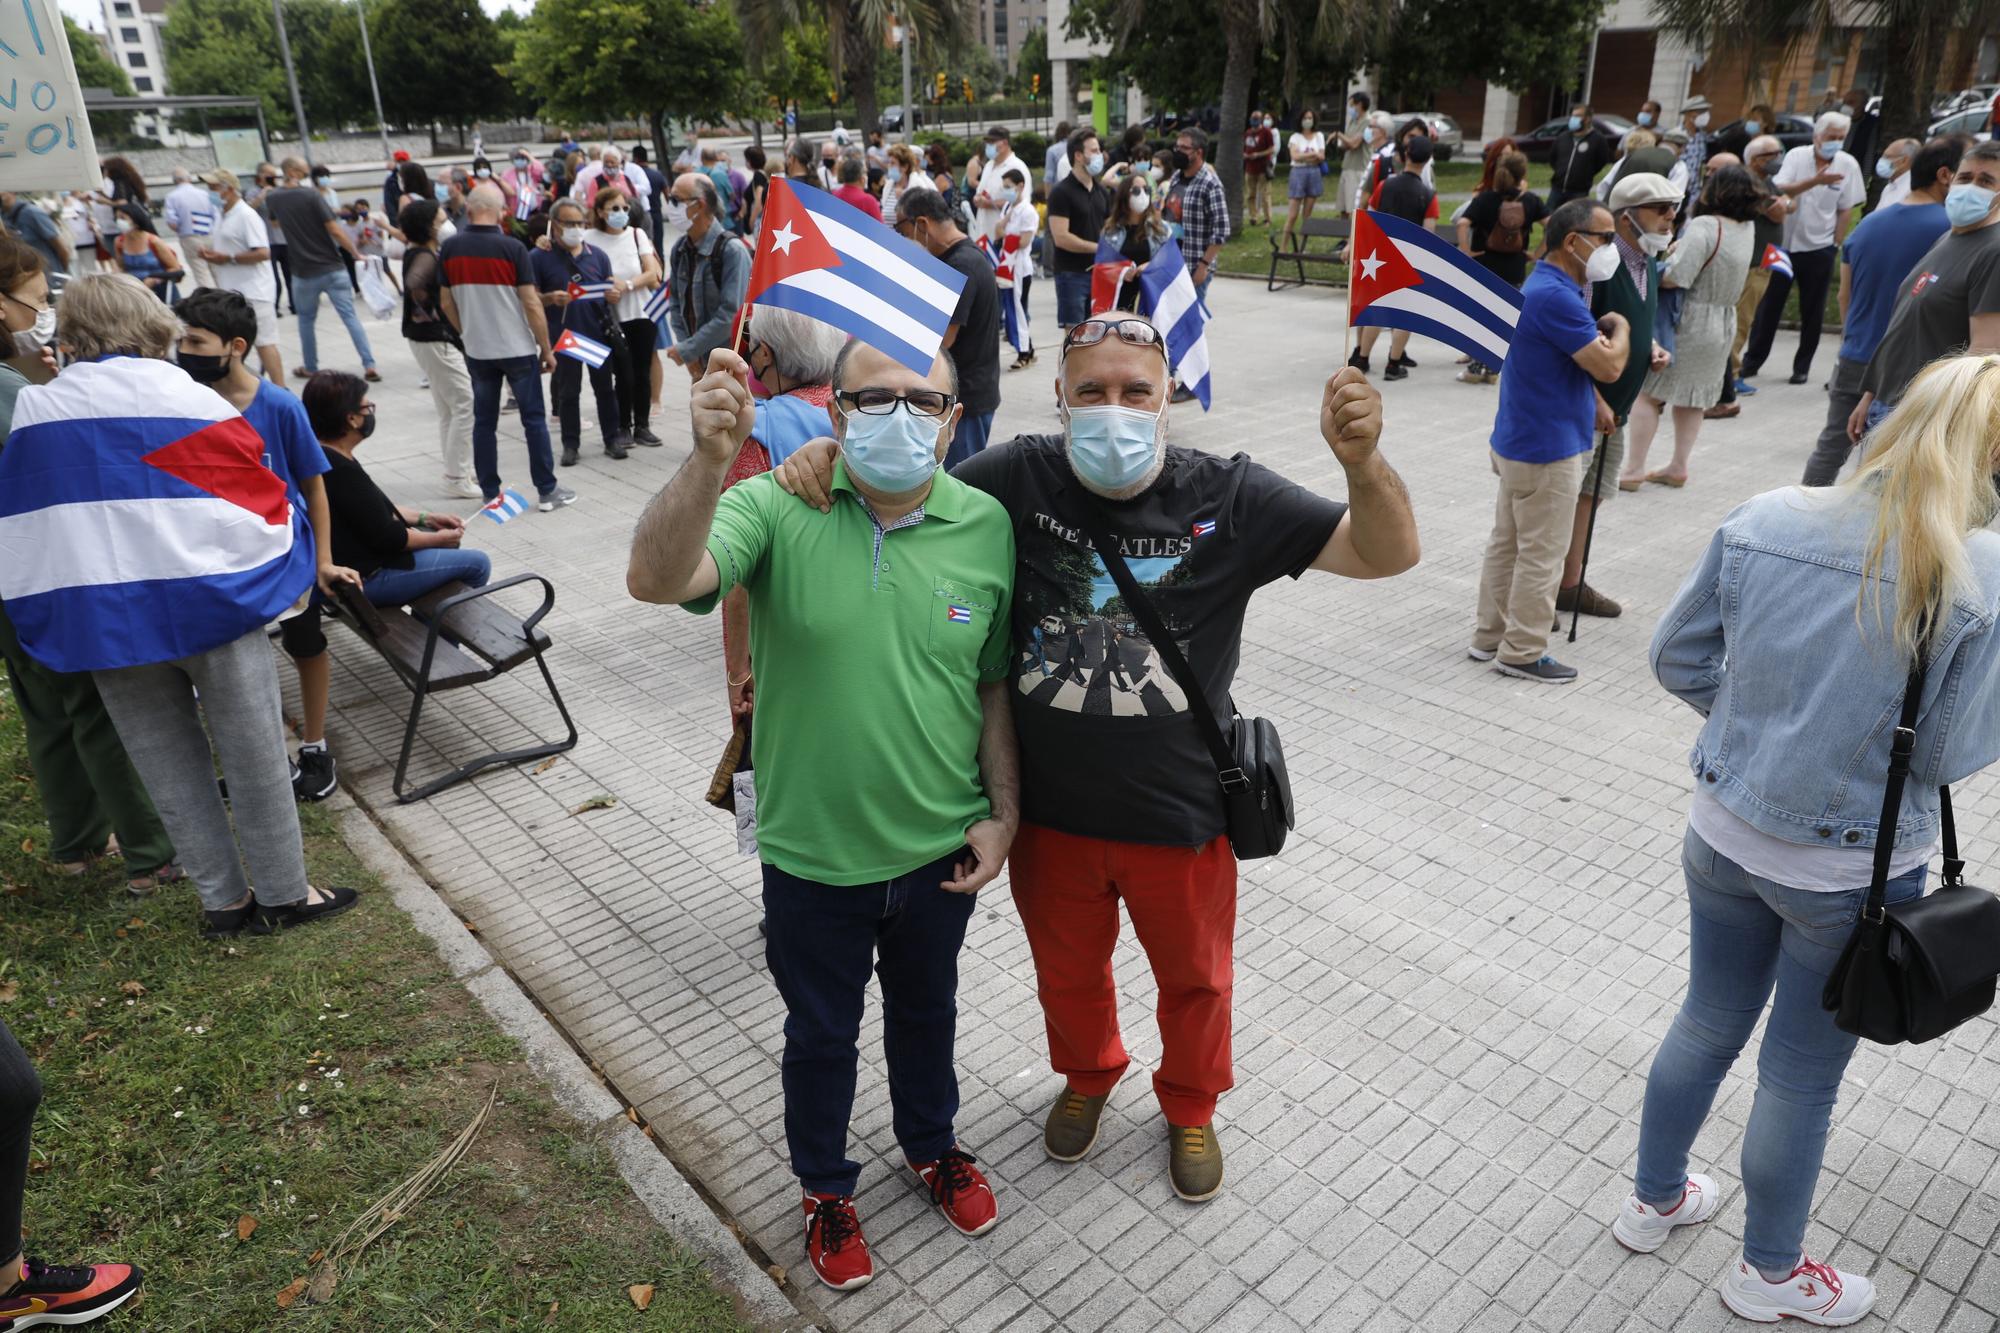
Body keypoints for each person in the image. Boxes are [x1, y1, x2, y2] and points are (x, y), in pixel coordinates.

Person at [770, 317, 1418, 1207]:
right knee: (1068, 974)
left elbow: (1389, 553)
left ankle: (1190, 1103)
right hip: (1053, 819)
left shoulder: (1228, 494)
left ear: (1167, 400)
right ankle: (1088, 1073)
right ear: (1061, 399)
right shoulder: (1015, 474)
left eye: (1135, 391)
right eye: (1092, 392)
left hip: (1182, 815)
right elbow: (905, 495)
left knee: (1195, 978)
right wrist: (817, 463)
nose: (1113, 409)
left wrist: (1362, 464)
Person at [627, 339, 1018, 1294]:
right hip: (810, 856)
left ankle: (932, 1144)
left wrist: (1004, 812)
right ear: (833, 413)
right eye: (871, 400)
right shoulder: (773, 503)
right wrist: (711, 461)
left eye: (920, 400)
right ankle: (823, 1187)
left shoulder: (987, 524)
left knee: (928, 1012)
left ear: (953, 418)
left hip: (940, 850)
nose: (898, 417)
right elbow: (654, 577)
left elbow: (994, 685)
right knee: (820, 1034)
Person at [1627, 353, 2000, 1329]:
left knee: (1704, 1020)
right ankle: (1767, 1271)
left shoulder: (1767, 514)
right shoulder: (1976, 568)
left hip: (1719, 825)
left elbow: (1674, 655)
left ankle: (1651, 1200)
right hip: (1848, 869)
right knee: (1795, 1072)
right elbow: (1946, 755)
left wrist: (1754, 730)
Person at [0, 275, 362, 934]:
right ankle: (285, 892)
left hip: (107, 617)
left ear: (73, 331)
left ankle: (221, 902)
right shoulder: (194, 401)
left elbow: (30, 519)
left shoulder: (38, 408)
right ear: (149, 325)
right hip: (211, 606)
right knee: (252, 752)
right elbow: (260, 502)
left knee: (166, 764)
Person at [0, 237, 177, 895]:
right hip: (34, 569)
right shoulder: (8, 388)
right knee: (94, 702)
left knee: (45, 707)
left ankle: (76, 841)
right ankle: (151, 851)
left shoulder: (15, 381)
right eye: (37, 299)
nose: (42, 311)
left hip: (8, 579)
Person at [277, 369, 493, 797]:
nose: (371, 411)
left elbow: (380, 507)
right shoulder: (339, 466)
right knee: (475, 564)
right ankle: (440, 654)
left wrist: (429, 517)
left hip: (349, 584)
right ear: (351, 419)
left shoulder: (324, 456)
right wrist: (442, 536)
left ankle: (429, 635)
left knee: (445, 557)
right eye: (366, 406)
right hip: (370, 581)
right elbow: (391, 536)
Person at [1470, 199, 1632, 684]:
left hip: (1521, 437)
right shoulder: (1557, 296)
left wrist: (1596, 404)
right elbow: (1608, 364)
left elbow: (1561, 363)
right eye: (1605, 238)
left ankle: (1489, 636)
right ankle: (1522, 651)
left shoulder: (1547, 286)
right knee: (1542, 552)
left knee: (1508, 544)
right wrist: (1620, 328)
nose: (1611, 249)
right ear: (1573, 241)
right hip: (1548, 448)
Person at [1553, 173, 1676, 620]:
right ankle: (1541, 590)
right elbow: (1574, 339)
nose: (1670, 218)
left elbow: (1630, 327)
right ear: (1627, 217)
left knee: (1592, 495)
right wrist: (1595, 399)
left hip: (1615, 409)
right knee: (1560, 499)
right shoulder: (1600, 265)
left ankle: (1569, 583)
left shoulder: (1649, 260)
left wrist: (1651, 349)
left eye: (1673, 208)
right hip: (1583, 407)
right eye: (1660, 208)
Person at [1800, 137, 1956, 485]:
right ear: (1945, 176)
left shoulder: (1869, 223)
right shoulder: (1949, 230)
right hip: (1909, 365)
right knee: (1882, 463)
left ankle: (1801, 516)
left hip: (1856, 354)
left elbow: (1845, 294)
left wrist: (1851, 339)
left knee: (1830, 448)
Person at [1849, 140, 2000, 442]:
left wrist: (1932, 427)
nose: (1971, 186)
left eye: (1985, 181)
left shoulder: (1993, 251)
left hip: (1923, 420)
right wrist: (1872, 392)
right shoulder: (1948, 237)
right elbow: (1906, 323)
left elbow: (1983, 355)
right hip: (1890, 405)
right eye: (1965, 177)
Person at [1619, 166, 1756, 490]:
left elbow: (1677, 277)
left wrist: (1663, 260)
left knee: (1648, 394)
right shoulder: (1748, 227)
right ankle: (1678, 466)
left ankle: (1633, 470)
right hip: (1723, 319)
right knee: (1694, 398)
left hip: (1689, 319)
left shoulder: (1706, 225)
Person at [438, 185, 572, 512]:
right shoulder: (512, 248)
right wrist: (546, 348)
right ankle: (546, 490)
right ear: (501, 212)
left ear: (469, 210)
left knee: (484, 422)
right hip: (517, 348)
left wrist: (467, 333)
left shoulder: (450, 248)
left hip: (478, 350)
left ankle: (490, 493)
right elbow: (531, 303)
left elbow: (446, 302)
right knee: (534, 420)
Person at [1741, 113, 1865, 385]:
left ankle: (1802, 367)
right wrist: (1814, 181)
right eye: (1830, 137)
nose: (1835, 143)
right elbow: (1778, 188)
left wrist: (1835, 243)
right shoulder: (1796, 157)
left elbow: (1846, 209)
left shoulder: (1848, 164)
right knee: (1768, 306)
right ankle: (1752, 361)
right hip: (1783, 246)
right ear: (1816, 136)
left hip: (1819, 246)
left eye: (1840, 138)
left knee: (1813, 309)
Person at [892, 188, 1001, 468]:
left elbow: (943, 338)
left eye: (901, 227)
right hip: (970, 391)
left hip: (967, 398)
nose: (902, 237)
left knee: (958, 479)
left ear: (922, 224)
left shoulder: (961, 265)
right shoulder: (962, 256)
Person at [264, 158, 378, 383]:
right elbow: (334, 229)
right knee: (350, 316)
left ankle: (311, 366)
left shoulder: (273, 197)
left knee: (306, 320)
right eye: (304, 173)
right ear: (293, 171)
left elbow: (275, 223)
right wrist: (355, 253)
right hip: (332, 266)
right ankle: (369, 364)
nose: (309, 177)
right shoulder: (312, 196)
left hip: (302, 270)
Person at [534, 198, 628, 465]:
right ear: (555, 225)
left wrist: (613, 294)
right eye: (569, 223)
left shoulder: (597, 255)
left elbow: (610, 291)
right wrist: (550, 298)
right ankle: (570, 444)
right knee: (568, 393)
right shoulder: (540, 257)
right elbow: (529, 299)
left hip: (596, 332)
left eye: (579, 223)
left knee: (605, 390)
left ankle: (612, 439)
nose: (576, 228)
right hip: (564, 337)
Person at [397, 198, 480, 499]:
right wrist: (434, 315)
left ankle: (457, 470)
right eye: (441, 219)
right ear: (429, 225)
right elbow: (415, 284)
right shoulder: (425, 257)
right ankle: (457, 476)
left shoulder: (420, 252)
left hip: (425, 339)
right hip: (434, 339)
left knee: (449, 408)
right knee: (464, 404)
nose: (446, 223)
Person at [1712, 140, 1792, 412]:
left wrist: (1785, 203)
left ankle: (1731, 373)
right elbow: (1780, 211)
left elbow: (1786, 203)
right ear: (1756, 159)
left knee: (1744, 318)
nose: (1778, 159)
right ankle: (1730, 377)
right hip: (1751, 264)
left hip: (1762, 263)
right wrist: (1782, 205)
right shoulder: (1748, 185)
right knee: (1740, 319)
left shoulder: (1766, 182)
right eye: (1772, 155)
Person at [583, 187, 664, 448]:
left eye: (625, 208)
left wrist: (626, 285)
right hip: (611, 318)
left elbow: (652, 273)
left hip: (641, 313)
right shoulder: (589, 238)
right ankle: (623, 426)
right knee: (622, 373)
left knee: (642, 372)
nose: (621, 213)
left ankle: (642, 425)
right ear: (600, 212)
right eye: (614, 209)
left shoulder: (637, 235)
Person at [1456, 149, 1546, 382]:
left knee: (1480, 317)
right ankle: (1494, 369)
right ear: (1522, 174)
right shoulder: (1531, 201)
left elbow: (1463, 223)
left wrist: (1466, 251)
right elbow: (1552, 224)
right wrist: (1537, 253)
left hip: (1485, 265)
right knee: (1504, 319)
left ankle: (1475, 369)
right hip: (1514, 267)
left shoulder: (1485, 199)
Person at [1351, 136, 1437, 380]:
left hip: (1380, 257)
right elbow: (1428, 233)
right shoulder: (1428, 194)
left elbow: (1371, 216)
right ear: (1428, 159)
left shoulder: (1384, 186)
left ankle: (1363, 357)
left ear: (1406, 154)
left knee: (1377, 308)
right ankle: (1393, 364)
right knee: (1404, 315)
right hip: (1409, 261)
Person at [195, 169, 286, 385]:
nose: (211, 192)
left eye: (215, 187)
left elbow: (263, 252)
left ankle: (281, 390)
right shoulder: (224, 214)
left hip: (254, 290)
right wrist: (215, 257)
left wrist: (228, 258)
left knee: (265, 342)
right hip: (233, 289)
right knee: (239, 342)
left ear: (229, 189)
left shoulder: (246, 215)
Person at [664, 172, 751, 382]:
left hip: (731, 365)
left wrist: (688, 349)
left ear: (699, 204)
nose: (670, 206)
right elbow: (676, 304)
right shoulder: (679, 249)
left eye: (676, 200)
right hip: (699, 364)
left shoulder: (732, 250)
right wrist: (689, 351)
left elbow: (731, 314)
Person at [1046, 128, 1111, 330]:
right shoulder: (1061, 192)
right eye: (1094, 151)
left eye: (1099, 150)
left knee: (1099, 335)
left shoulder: (1102, 192)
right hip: (1071, 274)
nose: (1099, 155)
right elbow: (1061, 237)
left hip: (1100, 273)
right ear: (1078, 156)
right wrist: (1098, 248)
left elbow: (1108, 230)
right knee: (1076, 338)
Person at [1164, 127, 1229, 312]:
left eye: (1184, 148)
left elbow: (1222, 230)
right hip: (1171, 262)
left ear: (1198, 152)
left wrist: (1204, 266)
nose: (1178, 152)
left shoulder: (1211, 184)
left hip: (1194, 267)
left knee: (1190, 324)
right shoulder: (1177, 177)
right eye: (1177, 147)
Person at [1100, 171, 1171, 311]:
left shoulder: (1161, 229)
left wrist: (1152, 265)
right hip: (1119, 303)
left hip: (1151, 301)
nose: (1143, 194)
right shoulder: (1110, 230)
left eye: (1147, 190)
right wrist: (1120, 272)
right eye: (1136, 190)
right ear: (1124, 195)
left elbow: (1172, 262)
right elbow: (1101, 267)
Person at [107, 201, 180, 300]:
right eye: (117, 218)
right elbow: (121, 266)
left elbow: (175, 268)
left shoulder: (153, 241)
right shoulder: (119, 242)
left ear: (135, 220)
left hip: (162, 291)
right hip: (136, 293)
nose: (118, 221)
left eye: (123, 218)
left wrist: (155, 279)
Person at [1548, 103, 1615, 211]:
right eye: (1572, 115)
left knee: (1574, 221)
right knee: (1550, 219)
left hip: (1579, 192)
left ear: (1587, 119)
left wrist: (1585, 174)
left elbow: (1601, 161)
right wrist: (1560, 172)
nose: (1573, 119)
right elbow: (1553, 158)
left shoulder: (1598, 139)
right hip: (1557, 189)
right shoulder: (1562, 137)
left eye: (1578, 116)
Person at [971, 126, 1029, 243]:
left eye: (992, 142)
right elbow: (981, 191)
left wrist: (989, 203)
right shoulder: (988, 166)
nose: (988, 146)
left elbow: (1021, 203)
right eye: (987, 143)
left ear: (1005, 143)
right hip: (983, 234)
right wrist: (978, 199)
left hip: (1004, 237)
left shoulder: (1017, 167)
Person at [1281, 109, 1327, 251]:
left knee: (1307, 215)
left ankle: (1301, 247)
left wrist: (1306, 155)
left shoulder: (1319, 136)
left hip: (1314, 173)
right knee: (1293, 214)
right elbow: (1295, 156)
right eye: (1305, 117)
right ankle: (1283, 247)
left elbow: (1321, 156)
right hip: (1298, 173)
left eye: (1310, 117)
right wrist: (1313, 154)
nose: (1308, 120)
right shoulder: (1295, 137)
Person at [160, 168, 213, 288]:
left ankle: (212, 299)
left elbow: (172, 222)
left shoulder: (171, 197)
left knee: (201, 273)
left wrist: (181, 228)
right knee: (217, 270)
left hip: (189, 237)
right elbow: (215, 214)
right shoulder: (204, 193)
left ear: (175, 181)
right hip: (210, 235)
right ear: (189, 179)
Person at [1334, 91, 1372, 219]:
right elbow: (1347, 143)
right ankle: (1343, 237)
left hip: (1358, 169)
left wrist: (1339, 135)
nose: (1350, 109)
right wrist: (1343, 142)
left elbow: (1354, 144)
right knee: (1343, 207)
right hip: (1347, 166)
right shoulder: (1353, 121)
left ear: (1360, 104)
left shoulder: (1368, 122)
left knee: (1353, 208)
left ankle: (1353, 237)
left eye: (1351, 105)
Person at [1676, 96, 1715, 213]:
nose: (1705, 115)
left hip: (1695, 191)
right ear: (1690, 114)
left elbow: (1703, 163)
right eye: (1701, 112)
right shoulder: (1676, 135)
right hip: (1677, 188)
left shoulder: (1703, 137)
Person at [1243, 109, 1275, 227]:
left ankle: (1267, 219)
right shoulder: (1247, 133)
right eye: (1252, 118)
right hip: (1250, 168)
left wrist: (1259, 154)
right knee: (1250, 194)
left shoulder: (1266, 132)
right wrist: (1245, 155)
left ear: (1260, 120)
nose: (1254, 120)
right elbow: (1244, 148)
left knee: (1265, 194)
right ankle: (1253, 216)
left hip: (1263, 168)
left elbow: (1271, 149)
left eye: (1256, 118)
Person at [881, 143, 926, 226]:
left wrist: (902, 199)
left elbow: (921, 217)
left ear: (905, 167)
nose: (889, 166)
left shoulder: (918, 186)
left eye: (893, 163)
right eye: (889, 163)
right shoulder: (888, 186)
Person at [1872, 137, 1921, 211]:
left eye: (1887, 157)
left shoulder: (1912, 190)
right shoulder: (1889, 187)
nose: (1882, 160)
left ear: (1904, 161)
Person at [829, 153, 880, 221]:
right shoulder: (868, 200)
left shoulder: (833, 195)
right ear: (862, 178)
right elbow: (880, 229)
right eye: (865, 172)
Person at [739, 145, 769, 237]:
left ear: (750, 161)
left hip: (758, 221)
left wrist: (752, 221)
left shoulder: (758, 176)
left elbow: (759, 201)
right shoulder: (764, 173)